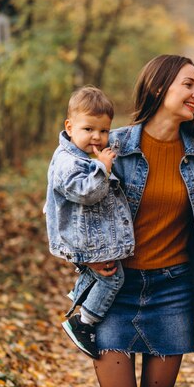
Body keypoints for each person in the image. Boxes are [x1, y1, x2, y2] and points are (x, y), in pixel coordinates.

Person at [88, 54, 194, 387]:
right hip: (114, 289)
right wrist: (85, 259)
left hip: (172, 291)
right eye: (188, 84)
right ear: (159, 86)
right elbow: (72, 208)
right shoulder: (112, 145)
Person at [44, 86, 135, 359]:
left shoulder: (81, 157)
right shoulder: (68, 162)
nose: (97, 137)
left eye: (104, 131)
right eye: (88, 129)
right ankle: (84, 323)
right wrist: (104, 168)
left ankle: (80, 296)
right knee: (113, 278)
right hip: (83, 241)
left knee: (104, 274)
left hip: (87, 237)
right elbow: (87, 192)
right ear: (70, 127)